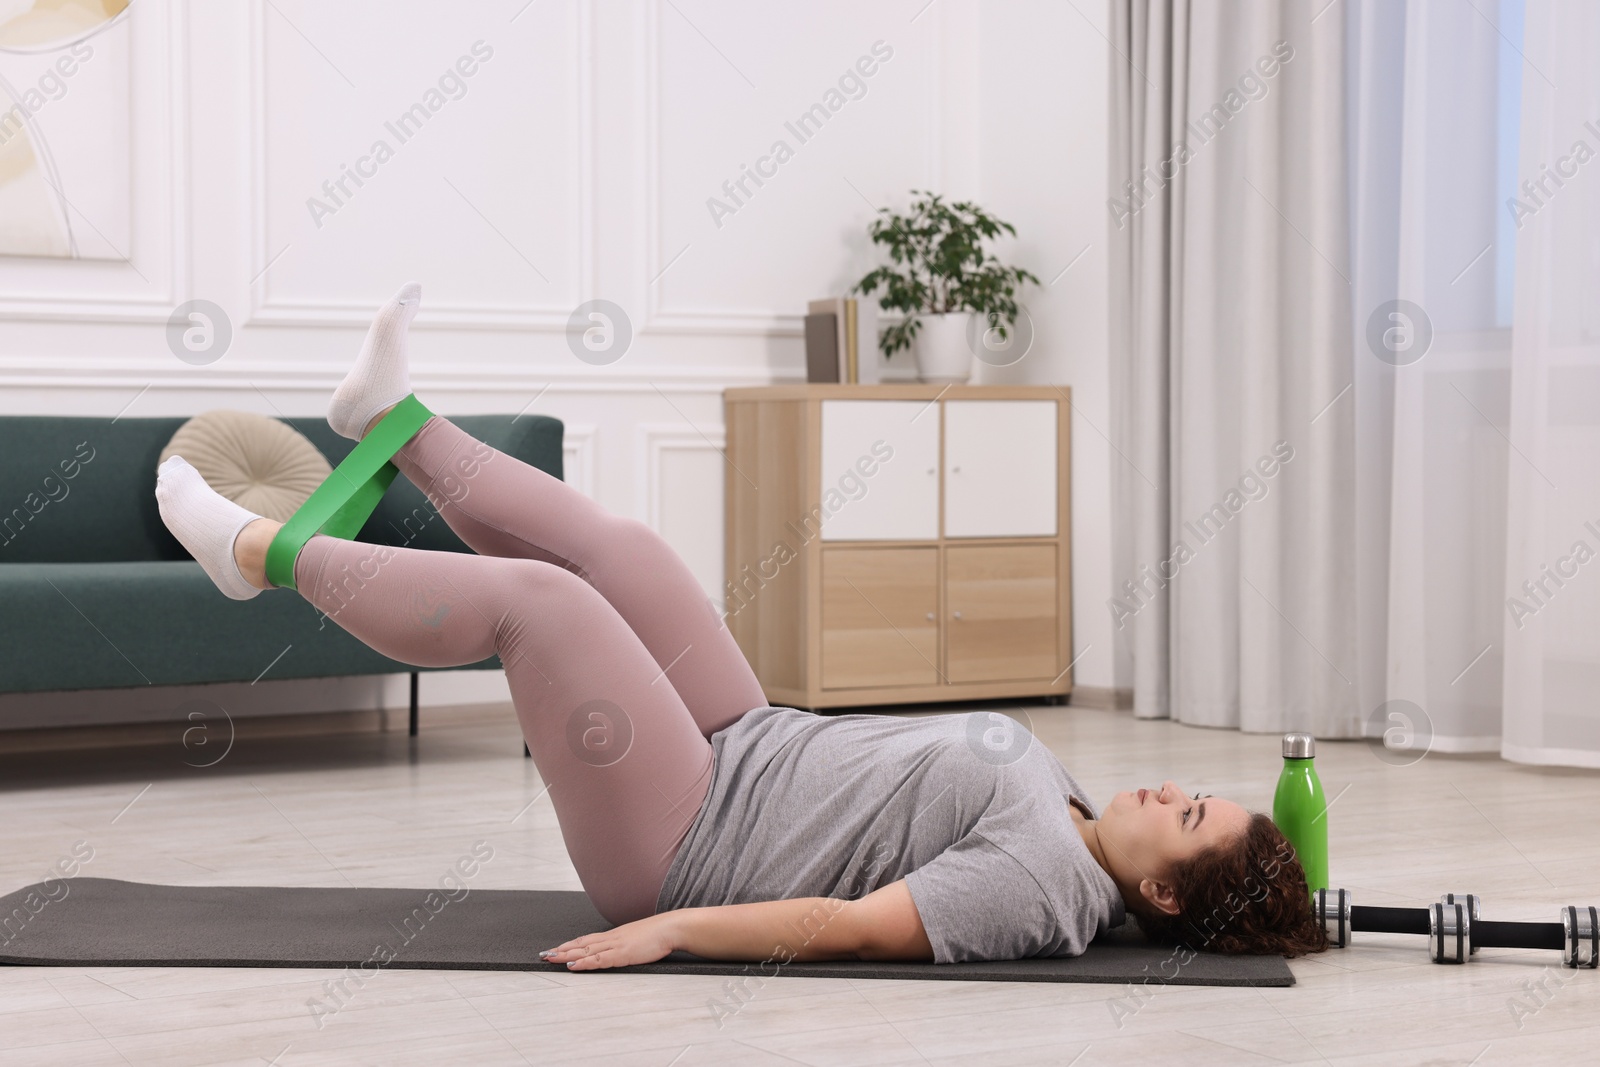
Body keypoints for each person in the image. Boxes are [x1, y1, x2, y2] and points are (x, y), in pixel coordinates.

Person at [154, 284, 1328, 971]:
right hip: (750, 741)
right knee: (628, 556)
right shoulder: (1069, 820)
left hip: (686, 838)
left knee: (545, 605)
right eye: (1192, 790)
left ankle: (252, 555)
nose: (1167, 787)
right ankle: (389, 420)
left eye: (1184, 815)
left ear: (1164, 896)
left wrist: (671, 933)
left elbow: (850, 926)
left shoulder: (1037, 892)